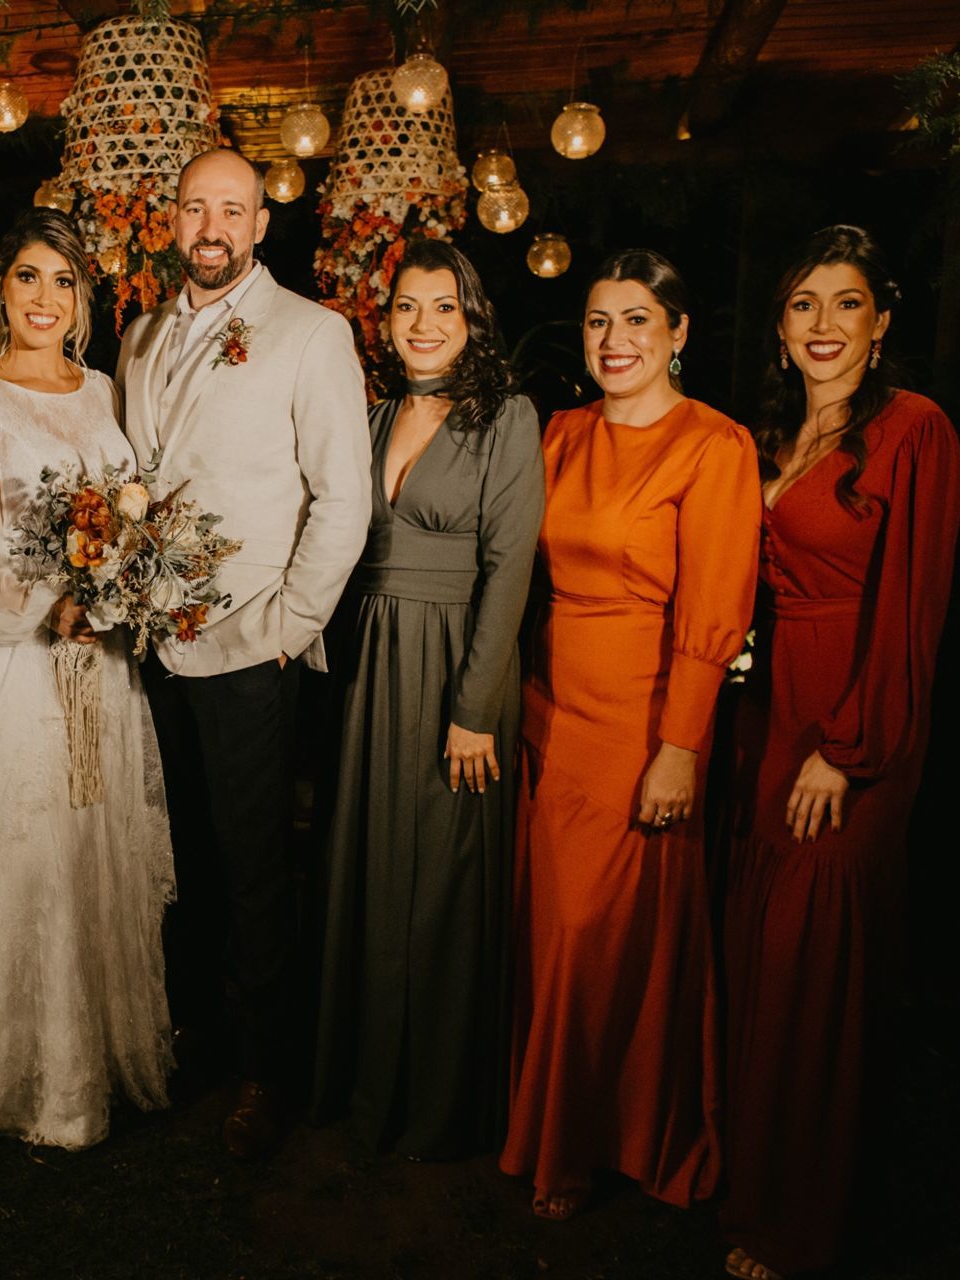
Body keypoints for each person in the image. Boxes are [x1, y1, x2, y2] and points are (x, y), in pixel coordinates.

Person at [0, 209, 174, 1153]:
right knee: (27, 851)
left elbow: (130, 517)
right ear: (0, 288)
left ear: (83, 297)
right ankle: (16, 1074)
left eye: (63, 281)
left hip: (97, 660)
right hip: (12, 662)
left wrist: (110, 594)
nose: (45, 299)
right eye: (27, 277)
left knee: (92, 845)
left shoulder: (103, 391)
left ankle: (94, 1055)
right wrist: (44, 605)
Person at [117, 147, 371, 1159]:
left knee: (260, 869)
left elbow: (344, 497)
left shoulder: (312, 333)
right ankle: (197, 1039)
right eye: (194, 208)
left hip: (251, 647)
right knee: (178, 864)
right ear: (172, 220)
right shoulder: (139, 336)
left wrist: (288, 627)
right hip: (155, 650)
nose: (211, 226)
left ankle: (271, 1068)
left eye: (233, 209)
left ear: (262, 224)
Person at [720, 227, 960, 1280]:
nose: (825, 324)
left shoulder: (915, 430)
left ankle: (803, 1224)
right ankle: (754, 1187)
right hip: (773, 721)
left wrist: (851, 751)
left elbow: (913, 608)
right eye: (805, 303)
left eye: (848, 303)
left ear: (883, 322)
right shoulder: (771, 437)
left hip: (858, 723)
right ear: (780, 328)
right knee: (767, 961)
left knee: (819, 970)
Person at [499, 250, 760, 1219]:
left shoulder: (714, 445)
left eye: (639, 319)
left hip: (642, 727)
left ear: (678, 332)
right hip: (546, 718)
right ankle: (552, 1123)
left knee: (599, 942)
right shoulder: (558, 433)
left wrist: (681, 744)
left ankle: (593, 1141)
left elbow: (717, 604)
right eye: (601, 320)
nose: (615, 339)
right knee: (549, 939)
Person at [310, 239, 543, 1158]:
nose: (423, 324)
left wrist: (477, 706)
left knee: (442, 880)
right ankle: (366, 1085)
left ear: (472, 318)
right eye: (407, 305)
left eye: (443, 306)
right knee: (362, 864)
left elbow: (510, 566)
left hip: (457, 663)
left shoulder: (507, 418)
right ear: (386, 317)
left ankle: (438, 1103)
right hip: (370, 660)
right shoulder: (367, 418)